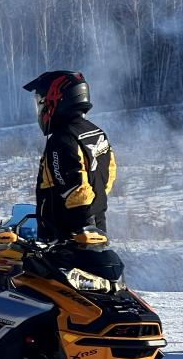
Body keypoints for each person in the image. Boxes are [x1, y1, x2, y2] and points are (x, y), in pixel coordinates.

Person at [23, 71, 115, 243]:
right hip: (96, 232)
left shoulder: (61, 140)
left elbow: (76, 192)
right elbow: (107, 178)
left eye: (40, 102)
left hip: (69, 241)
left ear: (55, 100)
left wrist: (78, 234)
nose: (40, 108)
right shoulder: (95, 132)